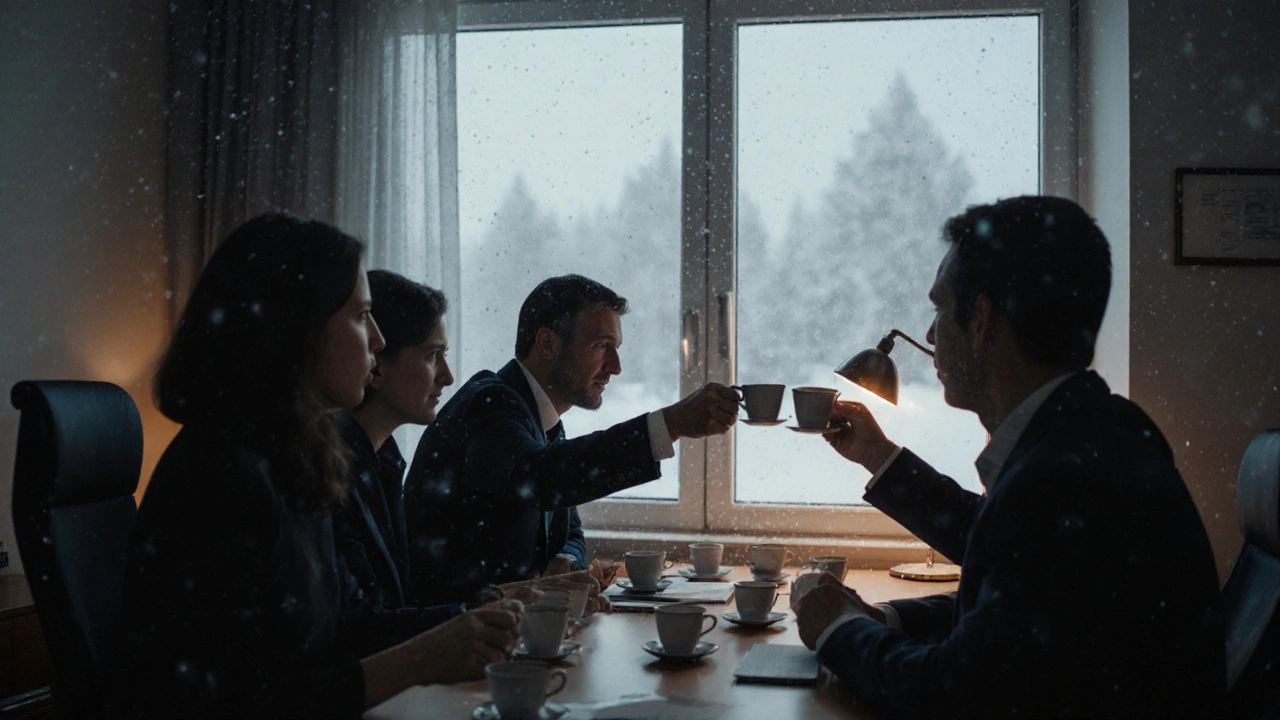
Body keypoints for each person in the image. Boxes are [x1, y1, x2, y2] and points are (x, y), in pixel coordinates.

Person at [794, 196, 1226, 718]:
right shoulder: (1095, 436)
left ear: (981, 321)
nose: (930, 335)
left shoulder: (1063, 478)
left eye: (939, 309)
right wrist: (884, 617)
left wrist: (839, 629)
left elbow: (952, 694)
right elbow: (1010, 605)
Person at [118, 215, 522, 719]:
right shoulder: (221, 476)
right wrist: (417, 661)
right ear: (296, 328)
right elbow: (225, 705)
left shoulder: (289, 459)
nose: (377, 339)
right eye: (360, 317)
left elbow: (341, 628)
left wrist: (469, 624)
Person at [403, 274, 740, 605]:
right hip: (450, 641)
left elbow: (572, 531)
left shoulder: (542, 421)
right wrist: (670, 424)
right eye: (601, 346)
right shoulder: (489, 405)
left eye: (616, 348)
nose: (616, 366)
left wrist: (566, 558)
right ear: (548, 344)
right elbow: (540, 478)